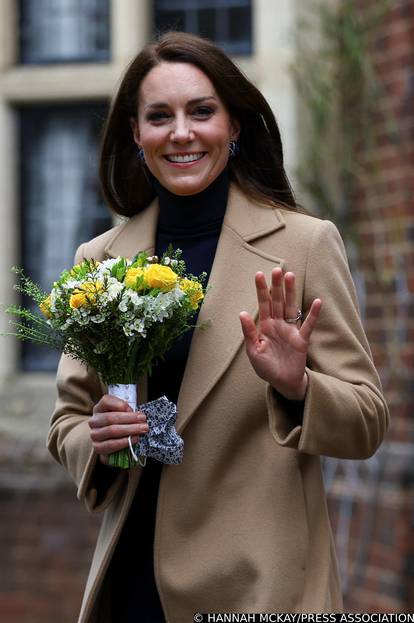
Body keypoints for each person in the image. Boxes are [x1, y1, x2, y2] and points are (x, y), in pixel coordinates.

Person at [47, 31, 389, 623]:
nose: (181, 132)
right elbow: (67, 421)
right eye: (160, 116)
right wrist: (99, 440)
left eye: (201, 111)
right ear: (136, 133)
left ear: (233, 126)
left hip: (260, 586)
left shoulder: (305, 245)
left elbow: (366, 422)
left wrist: (298, 387)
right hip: (131, 585)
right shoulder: (98, 260)